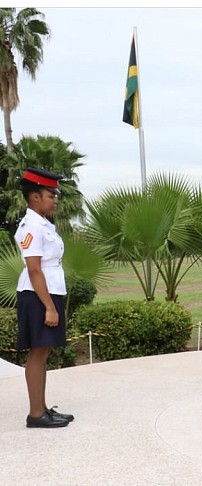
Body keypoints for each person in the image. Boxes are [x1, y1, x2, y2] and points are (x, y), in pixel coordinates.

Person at [14, 168, 74, 428]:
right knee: (37, 353)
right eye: (51, 194)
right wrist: (49, 306)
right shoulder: (31, 226)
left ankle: (42, 408)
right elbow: (34, 268)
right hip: (38, 295)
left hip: (47, 293)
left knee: (43, 351)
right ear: (35, 197)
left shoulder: (43, 224)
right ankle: (36, 414)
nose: (55, 199)